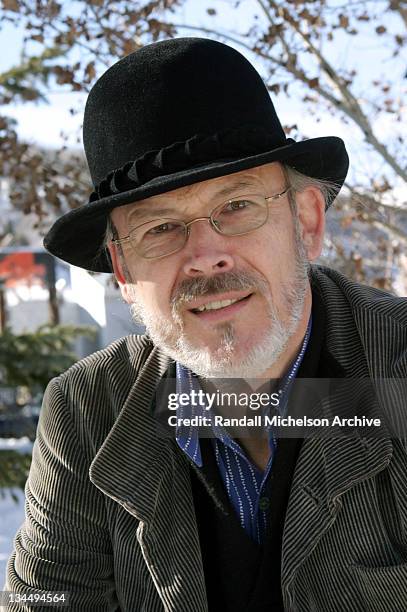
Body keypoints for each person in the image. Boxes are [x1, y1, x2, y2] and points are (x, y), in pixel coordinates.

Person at [5, 37, 407, 612]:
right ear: (122, 268)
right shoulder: (87, 412)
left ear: (307, 221)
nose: (205, 256)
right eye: (160, 227)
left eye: (237, 206)